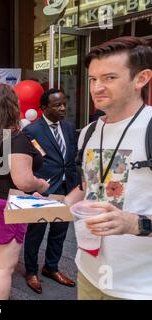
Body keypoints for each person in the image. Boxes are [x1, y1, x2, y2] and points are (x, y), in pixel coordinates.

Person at [62, 36, 152, 300]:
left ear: (141, 78)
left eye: (109, 78)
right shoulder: (88, 132)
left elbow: (134, 222)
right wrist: (50, 204)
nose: (97, 87)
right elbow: (89, 188)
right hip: (88, 271)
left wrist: (134, 223)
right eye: (93, 79)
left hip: (139, 287)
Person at [0, 84, 50, 300]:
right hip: (3, 205)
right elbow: (23, 181)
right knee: (4, 267)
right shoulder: (16, 138)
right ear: (14, 107)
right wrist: (42, 185)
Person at [23, 88, 78, 294]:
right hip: (42, 190)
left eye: (64, 103)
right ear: (44, 108)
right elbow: (27, 163)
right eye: (57, 105)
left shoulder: (70, 126)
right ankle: (31, 272)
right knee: (35, 233)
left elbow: (70, 156)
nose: (63, 108)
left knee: (59, 232)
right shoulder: (32, 131)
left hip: (67, 188)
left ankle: (51, 267)